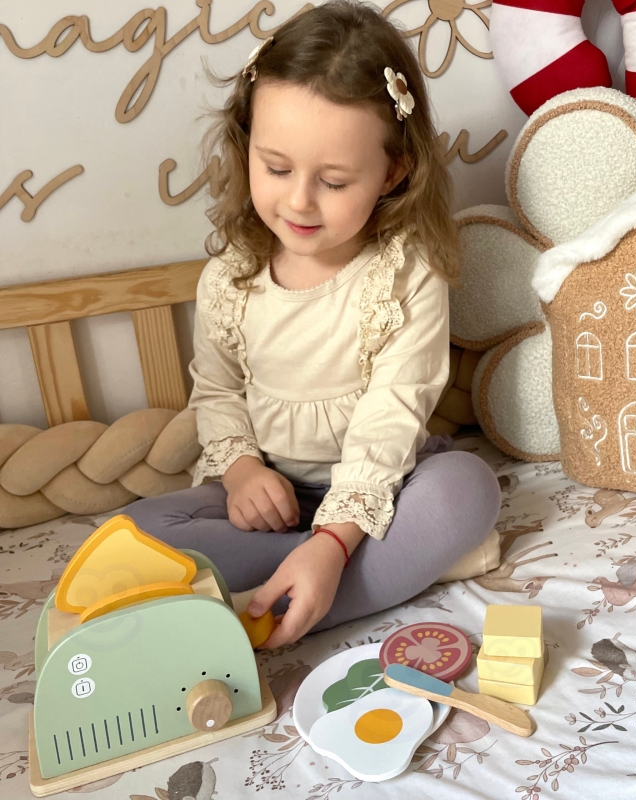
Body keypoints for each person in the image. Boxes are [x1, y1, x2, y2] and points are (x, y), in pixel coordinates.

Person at [123, 0, 500, 649]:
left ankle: (292, 596)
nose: (298, 200)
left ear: (393, 171)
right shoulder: (230, 279)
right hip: (273, 496)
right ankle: (377, 568)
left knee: (467, 491)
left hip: (382, 487)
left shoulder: (405, 275)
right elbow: (216, 392)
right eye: (276, 168)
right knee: (136, 535)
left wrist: (334, 538)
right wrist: (243, 473)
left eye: (334, 181)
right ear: (247, 144)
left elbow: (392, 417)